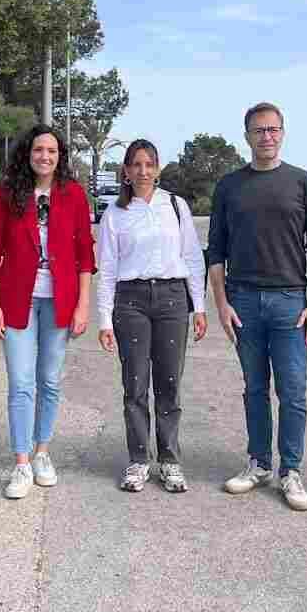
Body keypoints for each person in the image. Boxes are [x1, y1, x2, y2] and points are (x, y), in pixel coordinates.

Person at [208, 102, 307, 511]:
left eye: (274, 129)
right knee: (255, 389)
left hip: (291, 302)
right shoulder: (229, 186)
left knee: (292, 390)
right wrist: (221, 304)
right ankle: (258, 463)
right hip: (244, 302)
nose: (267, 137)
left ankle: (290, 470)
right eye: (259, 130)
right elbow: (216, 252)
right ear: (247, 135)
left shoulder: (302, 182)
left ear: (283, 133)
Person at [0, 124, 95, 499]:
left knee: (49, 380)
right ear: (27, 154)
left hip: (59, 300)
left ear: (60, 156)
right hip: (18, 300)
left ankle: (42, 451)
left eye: (52, 151)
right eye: (38, 150)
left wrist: (82, 304)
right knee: (20, 382)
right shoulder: (7, 194)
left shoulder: (73, 194)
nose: (44, 156)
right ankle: (21, 463)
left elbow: (84, 254)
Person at [95, 139, 208, 493]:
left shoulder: (175, 206)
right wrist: (103, 319)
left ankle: (170, 460)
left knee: (169, 382)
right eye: (136, 165)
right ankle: (139, 459)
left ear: (158, 169)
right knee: (135, 384)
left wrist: (199, 306)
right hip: (130, 302)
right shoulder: (114, 213)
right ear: (126, 171)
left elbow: (192, 257)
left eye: (149, 164)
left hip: (172, 299)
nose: (143, 171)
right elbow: (108, 269)